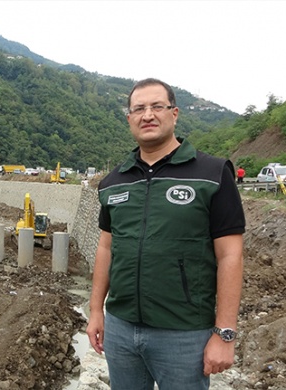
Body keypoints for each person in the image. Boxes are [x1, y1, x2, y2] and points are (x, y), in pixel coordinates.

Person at [86, 78, 245, 390]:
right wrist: (96, 311)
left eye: (157, 106)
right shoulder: (113, 182)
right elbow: (107, 247)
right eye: (139, 109)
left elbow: (231, 255)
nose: (148, 115)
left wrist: (225, 333)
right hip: (120, 329)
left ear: (174, 113)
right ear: (129, 118)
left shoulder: (211, 173)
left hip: (184, 334)